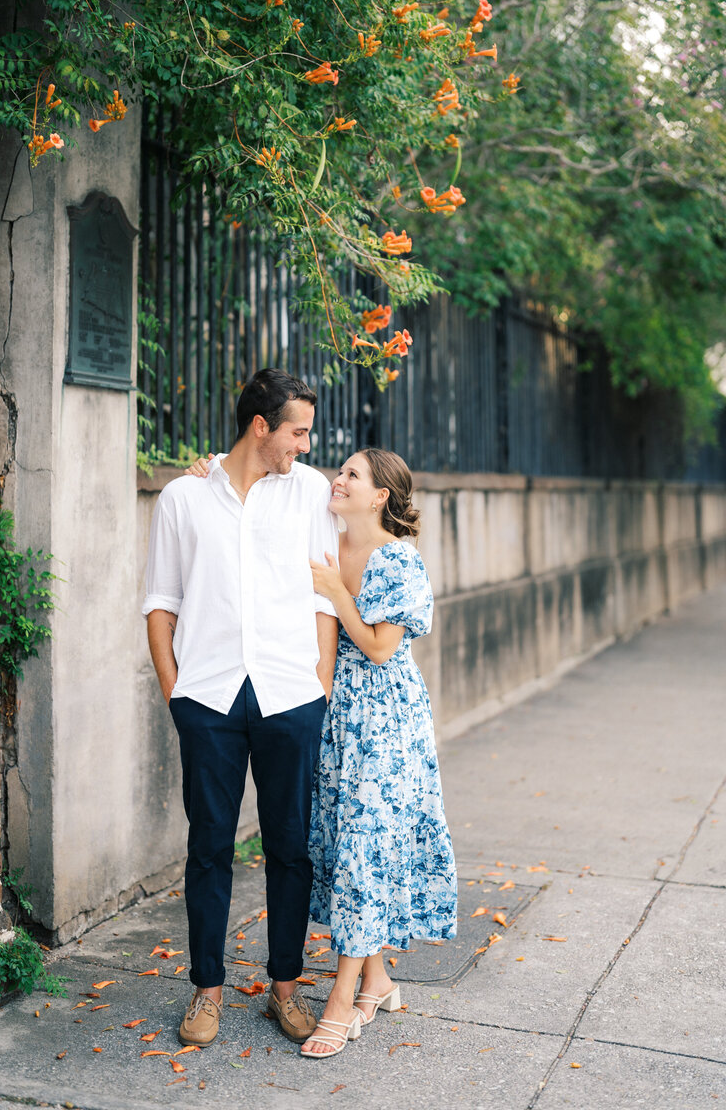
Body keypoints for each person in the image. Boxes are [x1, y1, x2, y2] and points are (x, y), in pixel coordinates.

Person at [142, 369, 339, 1050]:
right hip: (210, 697)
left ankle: (285, 989)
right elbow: (160, 603)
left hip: (291, 695)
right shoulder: (183, 498)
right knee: (209, 847)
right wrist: (178, 696)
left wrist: (321, 682)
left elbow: (325, 595)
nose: (305, 445)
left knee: (290, 847)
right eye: (297, 431)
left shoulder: (312, 493)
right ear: (262, 427)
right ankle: (206, 990)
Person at [301, 448, 457, 1058]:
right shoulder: (323, 533)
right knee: (351, 843)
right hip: (337, 714)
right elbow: (268, 473)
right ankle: (378, 980)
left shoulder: (398, 561)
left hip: (388, 718)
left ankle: (341, 1001)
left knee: (369, 844)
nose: (337, 481)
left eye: (352, 476)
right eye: (338, 472)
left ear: (380, 497)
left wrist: (337, 590)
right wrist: (206, 466)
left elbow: (378, 648)